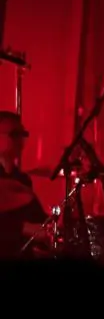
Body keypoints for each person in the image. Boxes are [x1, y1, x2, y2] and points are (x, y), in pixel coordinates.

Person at [0, 111, 48, 259]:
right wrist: (22, 228)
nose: (21, 139)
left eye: (23, 134)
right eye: (15, 134)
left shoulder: (23, 180)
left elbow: (37, 218)